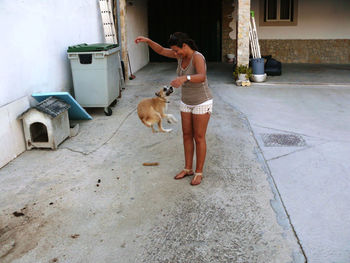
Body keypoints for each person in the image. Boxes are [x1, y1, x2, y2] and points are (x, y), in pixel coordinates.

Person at [135, 32, 213, 186]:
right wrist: (148, 41)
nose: (175, 53)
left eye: (177, 50)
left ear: (185, 45)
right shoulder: (180, 56)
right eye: (174, 51)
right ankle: (188, 168)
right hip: (186, 102)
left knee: (199, 137)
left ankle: (198, 172)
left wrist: (185, 78)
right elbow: (162, 51)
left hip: (202, 102)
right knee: (186, 135)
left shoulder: (197, 57)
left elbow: (202, 76)